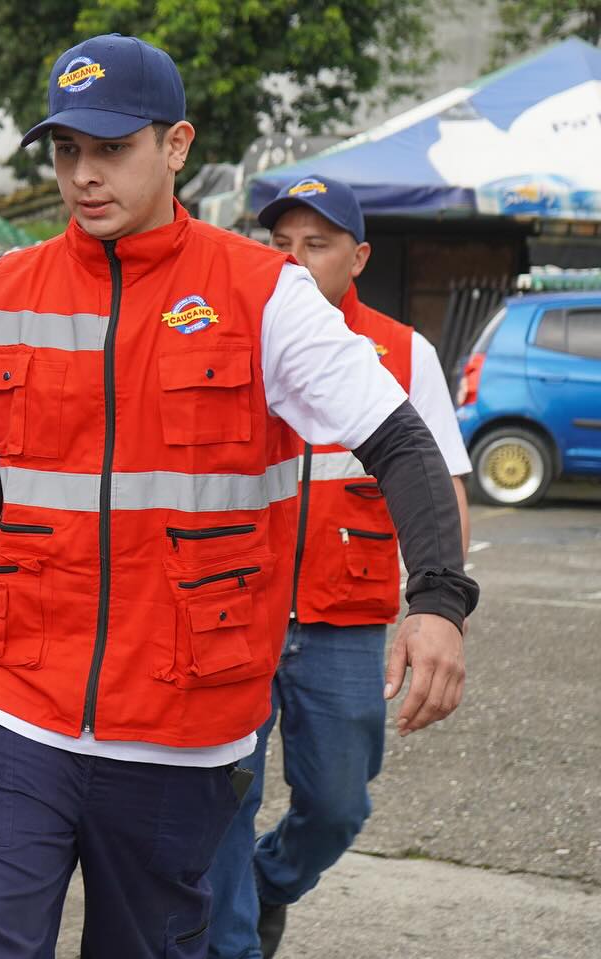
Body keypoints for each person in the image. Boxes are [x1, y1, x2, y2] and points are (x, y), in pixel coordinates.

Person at [0, 34, 479, 959]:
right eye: (65, 152)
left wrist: (440, 603)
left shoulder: (265, 295)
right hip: (14, 701)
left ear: (176, 146)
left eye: (110, 149)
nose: (83, 176)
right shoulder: (4, 291)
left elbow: (402, 440)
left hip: (182, 725)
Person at [204, 176, 474, 959]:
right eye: (279, 244)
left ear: (357, 258)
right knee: (222, 800)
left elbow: (442, 482)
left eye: (315, 246)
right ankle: (232, 942)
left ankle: (269, 883)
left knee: (336, 805)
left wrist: (443, 607)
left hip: (343, 620)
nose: (293, 261)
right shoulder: (230, 335)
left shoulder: (402, 352)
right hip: (234, 612)